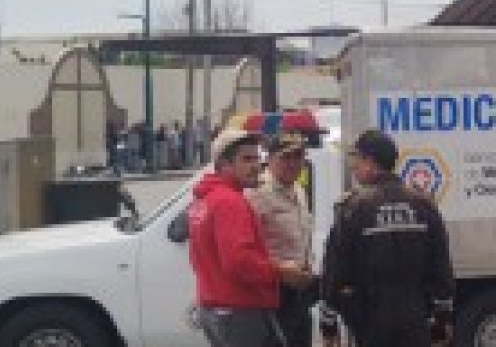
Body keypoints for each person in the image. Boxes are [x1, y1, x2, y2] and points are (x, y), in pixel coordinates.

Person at [319, 130, 455, 347]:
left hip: (369, 318)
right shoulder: (424, 204)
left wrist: (328, 323)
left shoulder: (354, 207)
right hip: (415, 317)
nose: (353, 167)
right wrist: (442, 319)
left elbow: (335, 268)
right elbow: (441, 266)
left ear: (370, 162)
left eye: (357, 159)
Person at [188, 128, 296, 347]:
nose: (257, 166)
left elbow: (197, 258)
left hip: (216, 309)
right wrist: (281, 272)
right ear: (224, 164)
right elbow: (239, 263)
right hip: (240, 311)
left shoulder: (204, 200)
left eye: (257, 158)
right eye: (247, 159)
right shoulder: (230, 202)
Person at [247, 131, 317, 347]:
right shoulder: (256, 193)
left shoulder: (298, 190)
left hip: (299, 292)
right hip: (272, 292)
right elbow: (248, 249)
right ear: (269, 159)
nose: (293, 163)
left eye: (298, 157)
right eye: (285, 157)